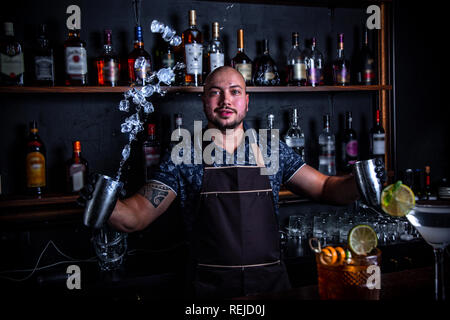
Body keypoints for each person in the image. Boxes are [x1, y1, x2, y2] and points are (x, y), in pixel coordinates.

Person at [107, 66, 360, 299]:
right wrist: (103, 203)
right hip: (208, 293)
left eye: (235, 92)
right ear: (204, 101)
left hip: (270, 289)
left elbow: (326, 188)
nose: (225, 100)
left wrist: (362, 180)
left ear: (246, 102)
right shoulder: (184, 154)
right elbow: (137, 214)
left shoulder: (272, 149)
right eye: (215, 93)